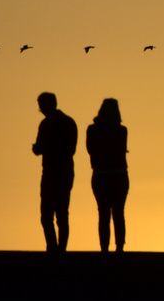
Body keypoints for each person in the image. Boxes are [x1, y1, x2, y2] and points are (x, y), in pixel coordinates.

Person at [31, 92, 77, 252]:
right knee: (58, 214)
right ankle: (58, 248)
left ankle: (54, 247)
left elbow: (68, 149)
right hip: (60, 172)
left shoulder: (49, 124)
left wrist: (43, 148)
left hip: (55, 172)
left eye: (42, 107)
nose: (41, 110)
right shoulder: (68, 122)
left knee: (51, 215)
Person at [85, 98, 130, 253]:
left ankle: (104, 248)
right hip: (119, 174)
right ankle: (119, 248)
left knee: (103, 213)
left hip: (100, 174)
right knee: (118, 212)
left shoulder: (92, 129)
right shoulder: (122, 130)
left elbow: (90, 149)